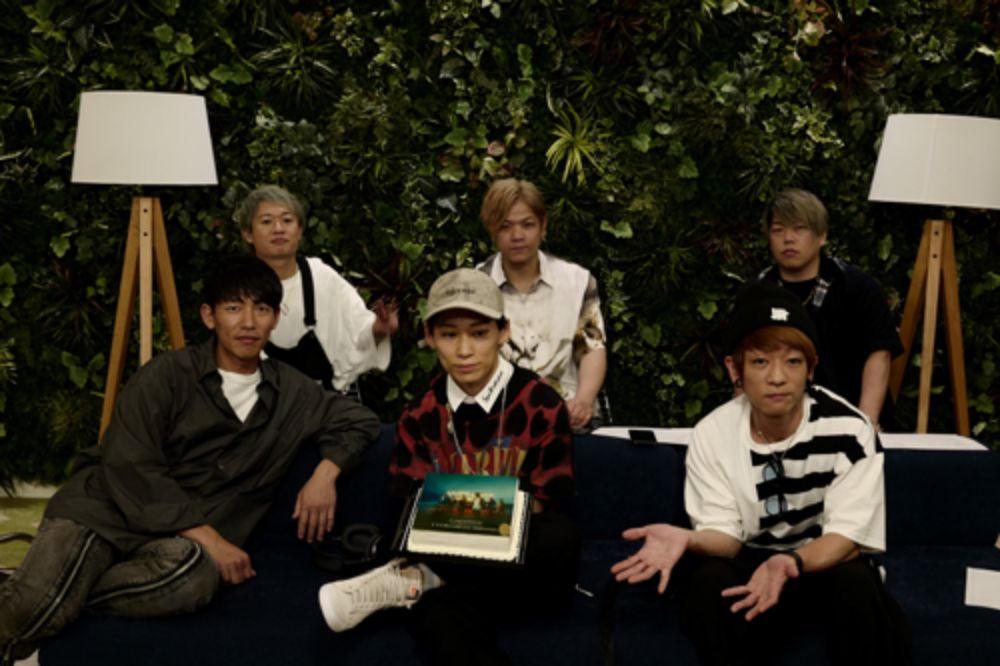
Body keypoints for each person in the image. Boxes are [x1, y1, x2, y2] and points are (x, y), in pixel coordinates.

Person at [0, 257, 380, 665]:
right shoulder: (166, 375)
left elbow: (360, 420)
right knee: (33, 604)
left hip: (177, 551)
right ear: (209, 316)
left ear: (275, 318)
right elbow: (130, 465)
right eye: (233, 308)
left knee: (194, 579)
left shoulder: (293, 393)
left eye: (261, 309)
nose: (248, 322)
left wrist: (326, 472)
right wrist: (212, 539)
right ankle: (47, 593)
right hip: (104, 513)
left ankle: (62, 592)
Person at [611, 281, 910, 665]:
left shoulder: (851, 430)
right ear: (734, 369)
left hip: (820, 562)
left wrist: (792, 562)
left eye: (793, 361)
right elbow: (726, 537)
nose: (778, 377)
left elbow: (848, 538)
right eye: (760, 362)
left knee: (858, 585)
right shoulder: (713, 433)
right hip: (750, 559)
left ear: (811, 368)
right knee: (707, 583)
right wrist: (689, 538)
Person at [318, 268, 579, 666]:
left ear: (503, 331)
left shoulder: (540, 402)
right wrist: (483, 515)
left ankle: (415, 579)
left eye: (479, 333)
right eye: (449, 334)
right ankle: (424, 582)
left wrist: (456, 517)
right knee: (436, 613)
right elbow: (413, 511)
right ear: (430, 336)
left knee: (559, 537)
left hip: (522, 567)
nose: (464, 350)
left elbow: (544, 503)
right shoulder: (419, 413)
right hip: (453, 560)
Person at [757, 188, 903, 430]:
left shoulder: (856, 286)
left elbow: (879, 353)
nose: (788, 238)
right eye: (778, 230)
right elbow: (744, 360)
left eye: (799, 229)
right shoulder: (759, 290)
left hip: (849, 419)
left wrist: (866, 422)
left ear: (821, 236)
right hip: (777, 426)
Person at [237, 184, 397, 393]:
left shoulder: (321, 277)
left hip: (327, 402)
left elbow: (361, 332)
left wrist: (379, 330)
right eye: (267, 221)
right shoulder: (238, 288)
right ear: (248, 234)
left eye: (287, 220)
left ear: (299, 230)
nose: (278, 228)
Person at [477, 178, 607, 430]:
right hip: (497, 420)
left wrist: (584, 401)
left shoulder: (577, 280)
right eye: (505, 226)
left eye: (528, 225)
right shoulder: (475, 286)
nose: (517, 236)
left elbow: (592, 348)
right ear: (492, 229)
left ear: (543, 225)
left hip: (569, 417)